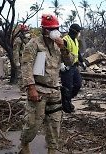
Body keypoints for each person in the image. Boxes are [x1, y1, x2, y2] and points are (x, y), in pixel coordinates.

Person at [18, 14, 74, 154]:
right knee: (33, 123)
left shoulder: (58, 45)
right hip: (38, 89)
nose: (54, 31)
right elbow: (26, 66)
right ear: (44, 30)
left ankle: (52, 151)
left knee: (54, 124)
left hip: (54, 91)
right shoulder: (34, 44)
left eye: (56, 28)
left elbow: (70, 62)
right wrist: (31, 88)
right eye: (51, 29)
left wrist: (63, 48)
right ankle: (24, 144)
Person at [60, 23, 87, 110]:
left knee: (77, 84)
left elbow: (77, 52)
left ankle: (66, 100)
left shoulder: (75, 40)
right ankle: (67, 106)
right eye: (78, 32)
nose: (79, 33)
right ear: (75, 32)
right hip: (66, 67)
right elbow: (59, 52)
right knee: (67, 87)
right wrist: (61, 64)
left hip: (74, 67)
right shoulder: (65, 40)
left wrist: (82, 61)